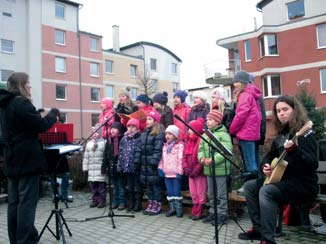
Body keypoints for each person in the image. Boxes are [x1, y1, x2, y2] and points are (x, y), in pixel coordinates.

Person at [238, 95, 319, 244]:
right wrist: (266, 167)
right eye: (278, 110)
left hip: (303, 184)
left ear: (295, 110)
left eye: (285, 109)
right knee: (249, 186)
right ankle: (258, 229)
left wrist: (295, 151)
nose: (281, 113)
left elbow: (312, 164)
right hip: (284, 182)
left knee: (266, 191)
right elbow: (269, 156)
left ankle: (268, 239)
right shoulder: (281, 135)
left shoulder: (305, 133)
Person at [0, 72, 59, 244]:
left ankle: (17, 239)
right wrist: (53, 114)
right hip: (26, 160)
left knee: (14, 203)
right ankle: (25, 240)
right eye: (28, 83)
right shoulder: (21, 102)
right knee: (26, 202)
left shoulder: (5, 105)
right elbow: (41, 126)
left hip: (11, 160)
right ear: (21, 85)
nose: (30, 86)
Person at [198, 110, 233, 225]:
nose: (207, 122)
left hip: (221, 170)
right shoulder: (205, 135)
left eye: (210, 119)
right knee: (211, 193)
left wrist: (213, 160)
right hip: (209, 170)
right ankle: (213, 212)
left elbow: (226, 151)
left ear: (218, 121)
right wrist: (202, 159)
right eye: (207, 119)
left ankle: (222, 214)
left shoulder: (224, 135)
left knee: (221, 194)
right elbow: (201, 149)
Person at [229, 70, 262, 181]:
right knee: (255, 163)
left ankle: (252, 189)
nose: (234, 84)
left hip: (246, 134)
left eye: (237, 81)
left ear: (242, 82)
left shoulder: (244, 95)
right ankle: (258, 186)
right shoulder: (253, 95)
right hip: (253, 133)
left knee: (250, 165)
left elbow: (240, 115)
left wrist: (232, 130)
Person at [134, 110, 165, 215]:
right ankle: (151, 203)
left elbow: (158, 149)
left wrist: (154, 161)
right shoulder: (144, 133)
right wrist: (137, 160)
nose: (147, 121)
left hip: (153, 166)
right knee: (148, 187)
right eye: (147, 119)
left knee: (156, 186)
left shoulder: (159, 133)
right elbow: (139, 148)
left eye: (150, 119)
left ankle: (157, 205)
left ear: (155, 121)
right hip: (144, 165)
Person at [182, 118, 207, 220]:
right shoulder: (187, 141)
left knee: (201, 192)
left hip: (199, 173)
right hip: (190, 173)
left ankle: (200, 209)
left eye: (191, 129)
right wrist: (186, 168)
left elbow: (201, 157)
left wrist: (196, 169)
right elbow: (184, 156)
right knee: (193, 192)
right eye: (188, 129)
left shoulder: (201, 141)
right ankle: (195, 207)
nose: (189, 131)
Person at [158, 125, 184, 218]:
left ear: (175, 135)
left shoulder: (179, 146)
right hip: (167, 174)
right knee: (170, 192)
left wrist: (180, 172)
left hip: (175, 174)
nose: (167, 136)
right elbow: (162, 159)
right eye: (166, 134)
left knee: (176, 192)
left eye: (170, 134)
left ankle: (179, 209)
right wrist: (160, 168)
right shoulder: (165, 146)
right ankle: (172, 209)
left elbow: (180, 159)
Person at [117, 118, 142, 212]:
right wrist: (120, 164)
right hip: (127, 166)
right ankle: (131, 203)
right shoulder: (124, 138)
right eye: (129, 126)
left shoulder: (139, 138)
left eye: (133, 126)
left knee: (137, 186)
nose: (131, 128)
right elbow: (121, 152)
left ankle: (137, 203)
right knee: (130, 186)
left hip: (135, 166)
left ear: (137, 128)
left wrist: (138, 163)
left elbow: (140, 151)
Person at [102, 122, 125, 210]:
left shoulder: (121, 139)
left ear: (119, 130)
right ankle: (115, 201)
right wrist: (104, 167)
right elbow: (106, 154)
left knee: (121, 186)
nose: (112, 130)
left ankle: (122, 202)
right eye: (111, 128)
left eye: (115, 128)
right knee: (114, 186)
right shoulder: (109, 140)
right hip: (112, 167)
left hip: (119, 167)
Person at [82, 124, 107, 208]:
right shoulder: (89, 144)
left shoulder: (104, 142)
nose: (95, 134)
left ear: (100, 133)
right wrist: (85, 168)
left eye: (97, 132)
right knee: (93, 187)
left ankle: (102, 201)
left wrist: (105, 168)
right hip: (91, 170)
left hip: (100, 169)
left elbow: (105, 157)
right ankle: (95, 200)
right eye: (93, 132)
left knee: (101, 187)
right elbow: (86, 157)